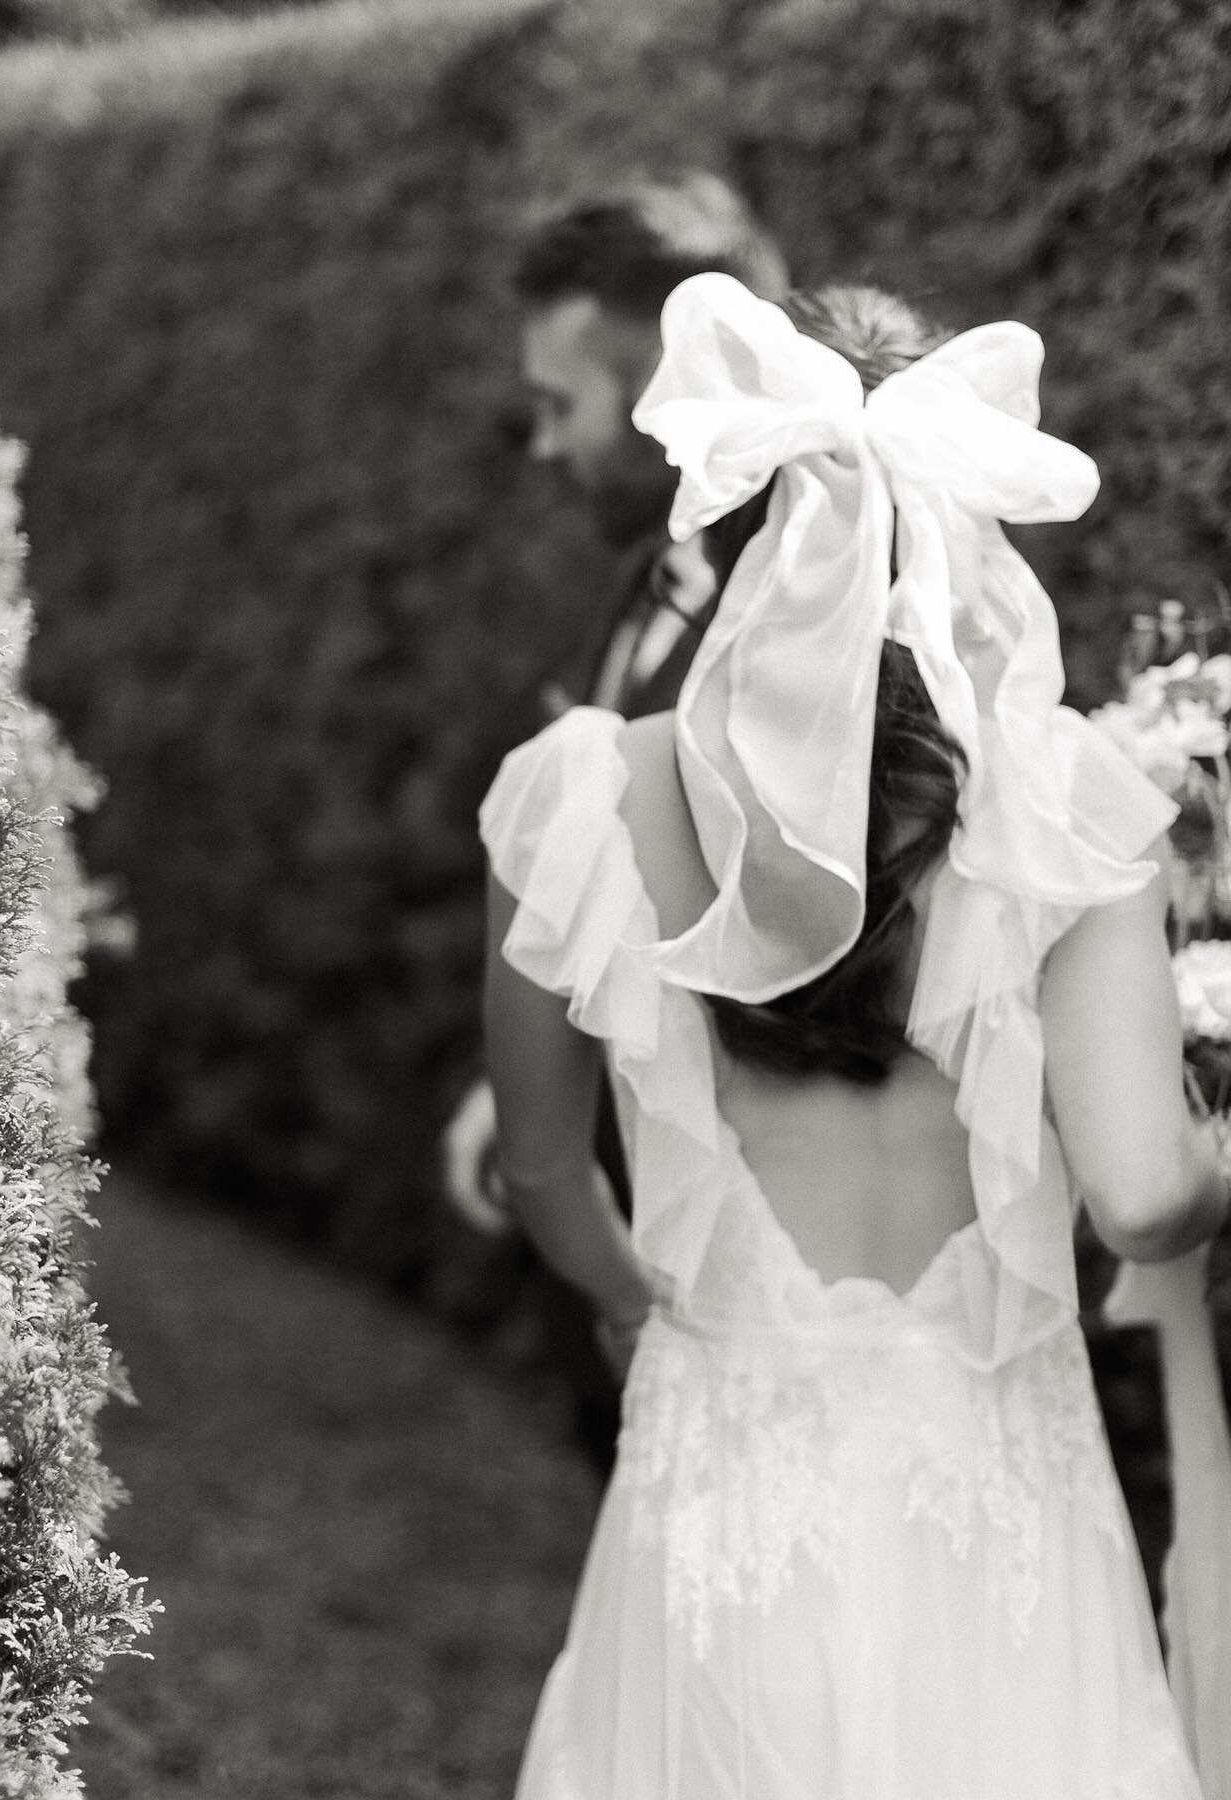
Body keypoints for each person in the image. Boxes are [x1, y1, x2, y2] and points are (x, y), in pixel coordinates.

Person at [480, 272, 1228, 1795]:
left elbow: (545, 1173)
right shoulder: (1068, 807)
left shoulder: (583, 794)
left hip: (723, 1497)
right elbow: (1143, 1196)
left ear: (740, 527)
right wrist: (1226, 1158)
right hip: (1007, 1525)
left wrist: (656, 1315)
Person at [444, 172, 788, 1473]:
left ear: (662, 386)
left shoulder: (793, 623)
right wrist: (512, 1083)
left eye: (558, 406)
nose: (542, 446)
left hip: (724, 1271)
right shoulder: (647, 586)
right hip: (610, 1229)